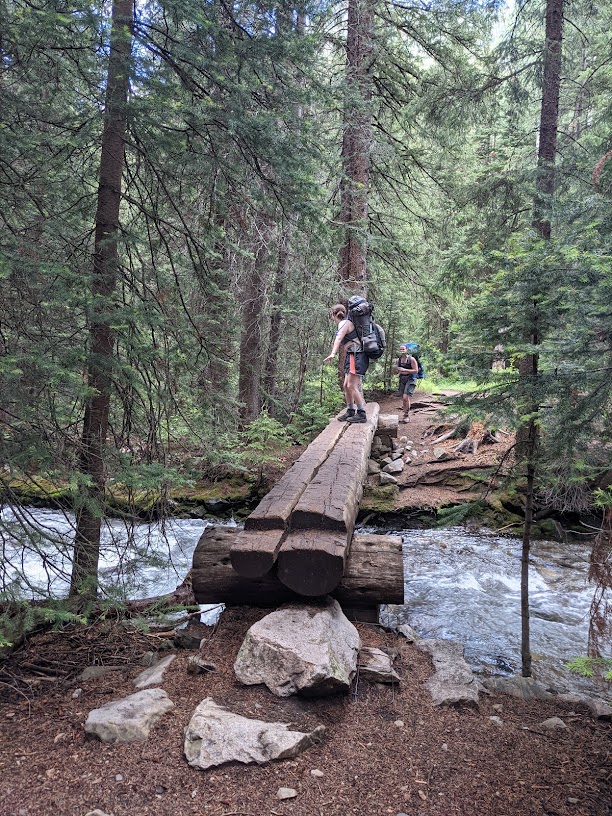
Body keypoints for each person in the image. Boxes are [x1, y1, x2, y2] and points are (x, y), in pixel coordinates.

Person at [324, 303, 369, 423]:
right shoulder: (346, 323)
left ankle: (361, 413)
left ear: (333, 314)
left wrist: (333, 353)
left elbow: (338, 338)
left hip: (357, 355)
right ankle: (350, 410)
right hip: (352, 355)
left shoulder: (344, 323)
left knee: (352, 386)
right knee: (346, 385)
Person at [393, 344, 418, 423]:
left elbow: (416, 370)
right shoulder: (398, 360)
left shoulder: (412, 359)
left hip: (411, 379)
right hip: (402, 379)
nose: (402, 351)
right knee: (404, 398)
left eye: (403, 349)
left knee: (405, 397)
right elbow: (395, 373)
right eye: (400, 349)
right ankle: (405, 414)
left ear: (407, 350)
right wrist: (395, 369)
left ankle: (406, 416)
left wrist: (404, 370)